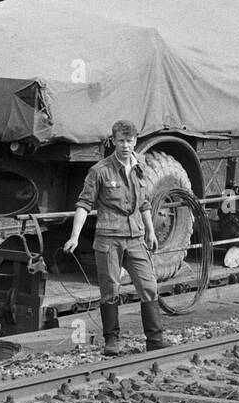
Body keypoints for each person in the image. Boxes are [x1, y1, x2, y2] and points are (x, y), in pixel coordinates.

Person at [63, 120, 165, 355]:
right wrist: (75, 236)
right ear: (113, 141)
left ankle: (155, 340)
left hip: (136, 238)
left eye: (129, 141)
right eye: (121, 141)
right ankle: (112, 341)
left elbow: (145, 202)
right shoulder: (100, 171)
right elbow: (84, 204)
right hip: (109, 240)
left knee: (148, 285)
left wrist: (150, 231)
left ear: (135, 141)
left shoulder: (140, 167)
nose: (125, 146)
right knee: (110, 290)